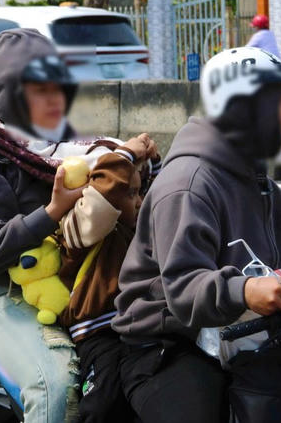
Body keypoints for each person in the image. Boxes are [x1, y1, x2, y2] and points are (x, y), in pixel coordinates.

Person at [112, 46, 281, 423]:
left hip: (236, 332)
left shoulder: (265, 187)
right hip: (166, 342)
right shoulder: (189, 185)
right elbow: (183, 291)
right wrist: (245, 290)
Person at [0, 28, 88, 422]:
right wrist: (52, 212)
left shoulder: (61, 150)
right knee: (55, 388)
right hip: (2, 294)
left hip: (68, 282)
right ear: (11, 94)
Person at [56, 134, 160, 423]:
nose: (138, 202)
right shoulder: (79, 230)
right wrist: (125, 154)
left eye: (139, 192)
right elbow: (104, 197)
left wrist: (150, 160)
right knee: (103, 404)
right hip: (99, 334)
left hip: (140, 329)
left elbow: (159, 198)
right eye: (129, 194)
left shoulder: (138, 229)